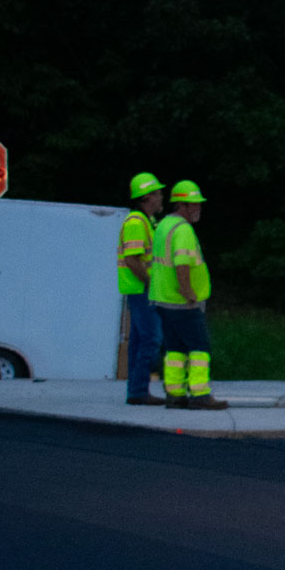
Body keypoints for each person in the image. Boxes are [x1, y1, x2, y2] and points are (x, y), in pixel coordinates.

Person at [149, 180, 226, 410]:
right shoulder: (183, 230)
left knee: (175, 349)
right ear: (183, 205)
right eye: (195, 204)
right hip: (181, 302)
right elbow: (181, 264)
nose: (199, 208)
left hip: (163, 299)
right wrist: (188, 292)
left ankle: (175, 394)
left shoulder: (164, 225)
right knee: (199, 347)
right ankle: (200, 395)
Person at [118, 172, 167, 405]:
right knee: (151, 339)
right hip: (142, 289)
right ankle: (138, 391)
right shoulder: (137, 223)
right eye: (157, 194)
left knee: (140, 341)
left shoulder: (146, 222)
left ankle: (137, 391)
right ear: (146, 197)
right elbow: (132, 259)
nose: (161, 198)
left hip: (140, 289)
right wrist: (151, 283)